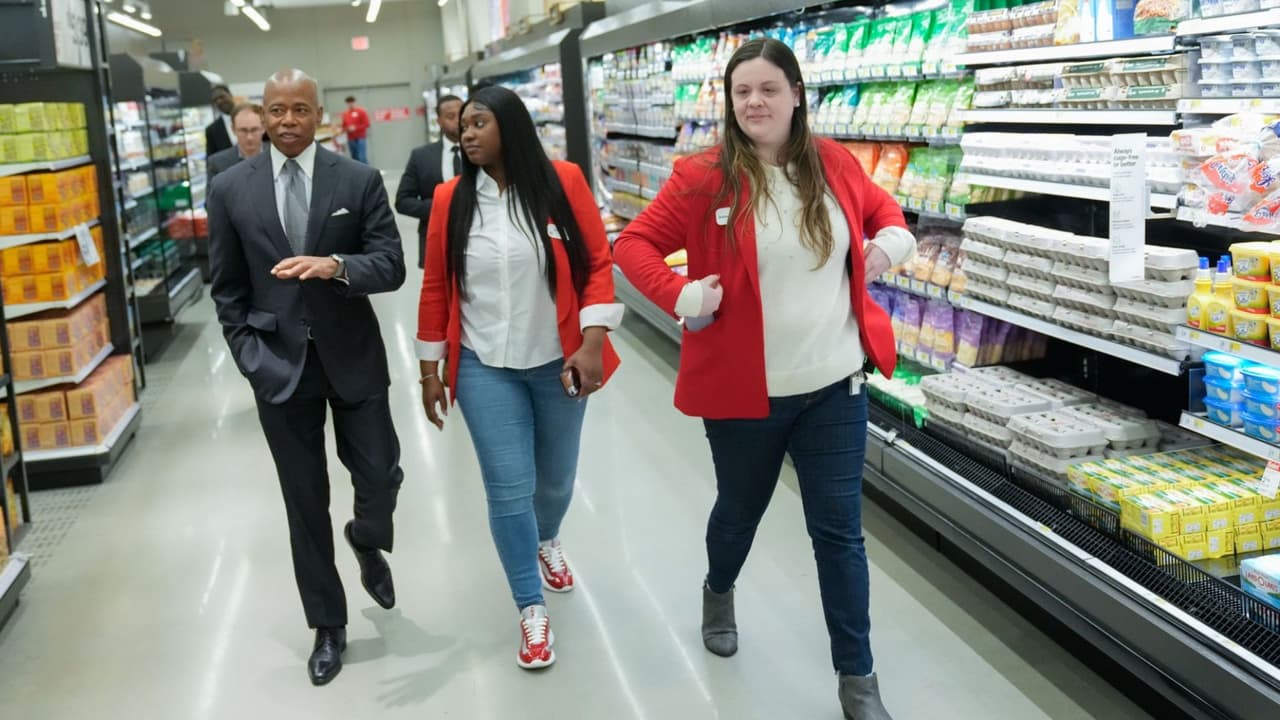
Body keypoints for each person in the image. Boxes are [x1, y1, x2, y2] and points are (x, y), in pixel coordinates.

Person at [612, 38, 915, 720]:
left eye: (768, 89)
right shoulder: (703, 177)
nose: (754, 102)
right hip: (747, 394)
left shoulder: (833, 162)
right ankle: (718, 589)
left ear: (797, 95)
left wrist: (890, 244)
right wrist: (683, 294)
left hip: (835, 383)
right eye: (742, 91)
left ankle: (858, 679)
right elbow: (632, 244)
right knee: (739, 513)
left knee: (839, 533)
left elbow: (884, 213)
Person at [208, 69, 407, 687]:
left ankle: (366, 536)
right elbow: (227, 287)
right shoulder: (229, 188)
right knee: (304, 502)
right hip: (278, 365)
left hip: (353, 357)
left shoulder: (358, 179)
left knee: (380, 473)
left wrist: (336, 265)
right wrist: (250, 358)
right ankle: (327, 624)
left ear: (320, 115)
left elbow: (392, 264)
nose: (288, 120)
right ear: (261, 116)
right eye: (276, 110)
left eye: (300, 109)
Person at [416, 85, 622, 671]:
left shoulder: (562, 183)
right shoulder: (451, 198)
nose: (466, 132)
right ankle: (530, 606)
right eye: (463, 125)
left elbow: (597, 263)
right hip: (484, 365)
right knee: (508, 489)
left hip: (559, 361)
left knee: (554, 482)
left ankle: (546, 538)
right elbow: (436, 283)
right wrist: (430, 368)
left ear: (512, 126)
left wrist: (592, 342)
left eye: (479, 122)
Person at [395, 94, 463, 268]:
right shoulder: (421, 156)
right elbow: (403, 201)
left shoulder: (482, 151)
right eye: (450, 116)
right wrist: (440, 207)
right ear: (439, 121)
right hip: (436, 236)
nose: (458, 121)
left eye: (461, 114)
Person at [207, 102, 266, 184]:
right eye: (243, 130)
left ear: (263, 128)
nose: (249, 137)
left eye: (254, 130)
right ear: (233, 129)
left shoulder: (278, 154)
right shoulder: (217, 163)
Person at [206, 84, 236, 155]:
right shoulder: (212, 130)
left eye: (222, 97)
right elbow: (211, 157)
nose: (219, 101)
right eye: (215, 100)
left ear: (230, 95)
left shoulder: (252, 117)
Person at [341, 96, 371, 164]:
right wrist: (347, 128)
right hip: (351, 138)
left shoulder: (361, 112)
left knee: (361, 157)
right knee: (354, 158)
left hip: (360, 137)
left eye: (352, 102)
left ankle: (366, 170)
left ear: (354, 102)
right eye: (349, 103)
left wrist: (355, 128)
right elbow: (343, 126)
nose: (350, 104)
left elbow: (367, 124)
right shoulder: (345, 114)